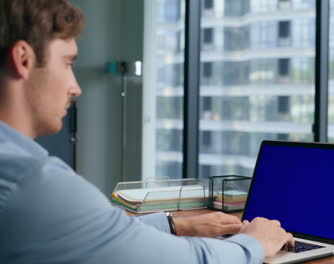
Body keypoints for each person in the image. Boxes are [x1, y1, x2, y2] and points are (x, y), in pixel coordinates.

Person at [0, 0, 294, 263]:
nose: (75, 88)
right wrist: (253, 242)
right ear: (24, 58)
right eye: (67, 63)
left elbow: (91, 228)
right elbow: (188, 260)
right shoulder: (33, 182)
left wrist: (177, 224)